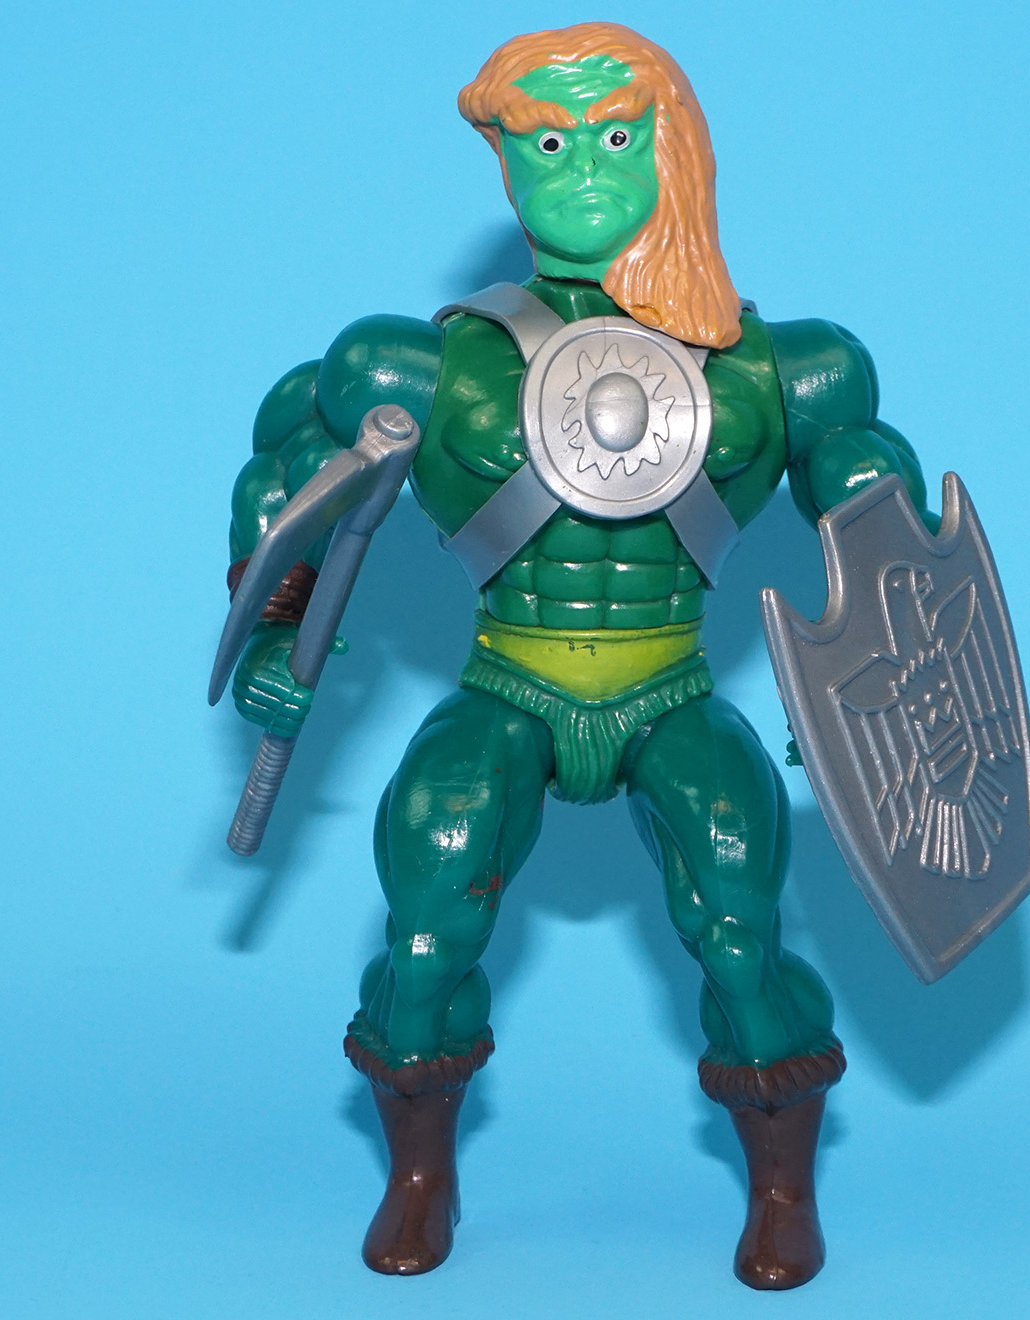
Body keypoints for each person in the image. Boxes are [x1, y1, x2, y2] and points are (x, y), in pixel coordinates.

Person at [222, 22, 933, 1291]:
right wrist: (274, 627)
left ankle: (781, 1189)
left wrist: (863, 695)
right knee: (426, 921)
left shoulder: (781, 371)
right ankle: (420, 1176)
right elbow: (289, 473)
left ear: (673, 146)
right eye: (548, 143)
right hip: (508, 679)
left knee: (740, 927)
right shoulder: (428, 367)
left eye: (614, 133)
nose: (585, 168)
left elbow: (883, 531)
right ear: (503, 163)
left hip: (671, 685)